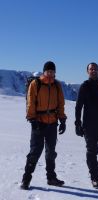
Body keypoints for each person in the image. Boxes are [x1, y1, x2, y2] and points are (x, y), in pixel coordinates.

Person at [20, 61, 67, 190]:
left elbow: (60, 103)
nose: (51, 73)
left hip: (52, 123)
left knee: (51, 152)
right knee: (35, 152)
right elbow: (30, 102)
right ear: (44, 71)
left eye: (53, 71)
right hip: (38, 123)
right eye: (48, 71)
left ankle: (51, 178)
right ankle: (26, 179)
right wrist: (32, 119)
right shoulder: (36, 84)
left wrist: (62, 120)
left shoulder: (57, 85)